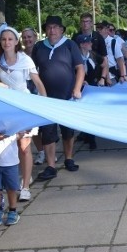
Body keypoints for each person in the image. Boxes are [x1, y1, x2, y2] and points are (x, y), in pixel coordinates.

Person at [0, 25, 47, 201]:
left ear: (16, 42)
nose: (7, 42)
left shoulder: (25, 60)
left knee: (24, 146)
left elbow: (37, 82)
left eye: (10, 39)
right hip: (5, 110)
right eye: (4, 39)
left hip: (23, 107)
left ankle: (25, 187)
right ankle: (14, 181)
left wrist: (44, 103)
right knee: (8, 148)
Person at [32, 15, 85, 181]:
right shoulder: (39, 47)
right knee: (47, 132)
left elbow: (80, 68)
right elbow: (32, 70)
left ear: (62, 30)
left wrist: (77, 88)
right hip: (46, 98)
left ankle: (69, 158)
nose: (52, 30)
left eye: (55, 27)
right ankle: (50, 165)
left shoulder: (69, 45)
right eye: (49, 27)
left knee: (68, 131)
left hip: (67, 96)